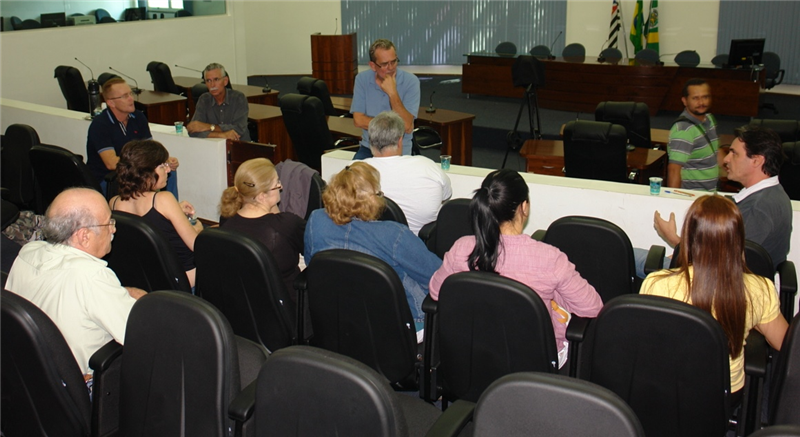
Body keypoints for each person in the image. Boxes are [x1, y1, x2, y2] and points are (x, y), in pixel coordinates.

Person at [428, 169, 603, 369]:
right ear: (524, 207)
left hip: (473, 356)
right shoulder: (550, 259)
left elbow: (435, 291)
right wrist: (556, 299)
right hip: (532, 364)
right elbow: (593, 308)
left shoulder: (462, 248)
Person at [641, 195, 788, 397]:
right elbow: (785, 343)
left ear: (689, 236)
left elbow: (648, 342)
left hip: (669, 387)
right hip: (725, 393)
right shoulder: (760, 289)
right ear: (738, 239)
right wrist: (747, 317)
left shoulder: (656, 284)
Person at [6, 188, 146, 379]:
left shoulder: (29, 251)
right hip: (82, 386)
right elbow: (140, 334)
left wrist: (123, 293)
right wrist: (144, 302)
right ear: (84, 236)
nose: (114, 229)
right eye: (109, 223)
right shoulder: (91, 276)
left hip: (28, 377)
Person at [304, 162, 442, 338]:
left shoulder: (316, 221)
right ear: (371, 200)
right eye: (378, 193)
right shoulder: (394, 235)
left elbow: (312, 265)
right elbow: (437, 276)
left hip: (337, 319)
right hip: (400, 324)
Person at [640, 125, 792, 276]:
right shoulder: (769, 196)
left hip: (718, 287)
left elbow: (724, 263)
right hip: (716, 279)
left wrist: (675, 241)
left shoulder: (760, 208)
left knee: (624, 257)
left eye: (734, 154)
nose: (726, 159)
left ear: (756, 161)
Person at [109, 140, 203, 287]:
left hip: (147, 279)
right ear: (146, 172)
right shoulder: (163, 199)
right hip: (181, 279)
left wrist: (175, 210)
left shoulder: (114, 203)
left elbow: (146, 222)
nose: (168, 170)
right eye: (162, 166)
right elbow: (196, 245)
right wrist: (197, 226)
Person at [219, 158, 306, 296]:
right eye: (277, 183)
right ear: (261, 196)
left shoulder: (226, 221)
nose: (281, 186)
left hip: (241, 305)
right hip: (286, 308)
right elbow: (311, 248)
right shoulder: (286, 225)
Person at [86, 77, 179, 197]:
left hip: (134, 172)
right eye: (125, 96)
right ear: (111, 102)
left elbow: (149, 150)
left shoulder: (138, 117)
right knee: (150, 176)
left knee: (168, 170)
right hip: (108, 179)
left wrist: (164, 160)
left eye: (131, 93)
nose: (131, 99)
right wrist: (146, 164)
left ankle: (171, 211)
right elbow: (111, 163)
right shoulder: (100, 125)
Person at [363, 111, 451, 235]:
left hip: (368, 244)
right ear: (400, 141)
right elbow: (446, 196)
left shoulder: (354, 171)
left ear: (370, 140)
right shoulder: (427, 166)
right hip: (418, 245)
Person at [351, 39, 420, 160]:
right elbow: (358, 120)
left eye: (393, 62)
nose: (391, 68)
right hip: (369, 148)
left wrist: (392, 93)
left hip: (399, 150)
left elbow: (408, 126)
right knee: (353, 176)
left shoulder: (411, 82)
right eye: (384, 64)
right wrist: (393, 127)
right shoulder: (362, 79)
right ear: (373, 66)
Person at [666, 78, 724, 191]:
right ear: (684, 101)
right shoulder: (684, 131)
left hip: (711, 192)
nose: (701, 103)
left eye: (705, 97)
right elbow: (674, 169)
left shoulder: (710, 119)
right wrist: (673, 199)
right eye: (695, 98)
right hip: (693, 196)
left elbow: (716, 150)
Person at [186, 63, 250, 141]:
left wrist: (208, 127)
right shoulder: (204, 99)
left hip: (238, 147)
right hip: (213, 147)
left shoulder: (239, 98)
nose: (212, 85)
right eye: (208, 80)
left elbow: (239, 129)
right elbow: (193, 130)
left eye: (216, 79)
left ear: (225, 81)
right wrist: (222, 135)